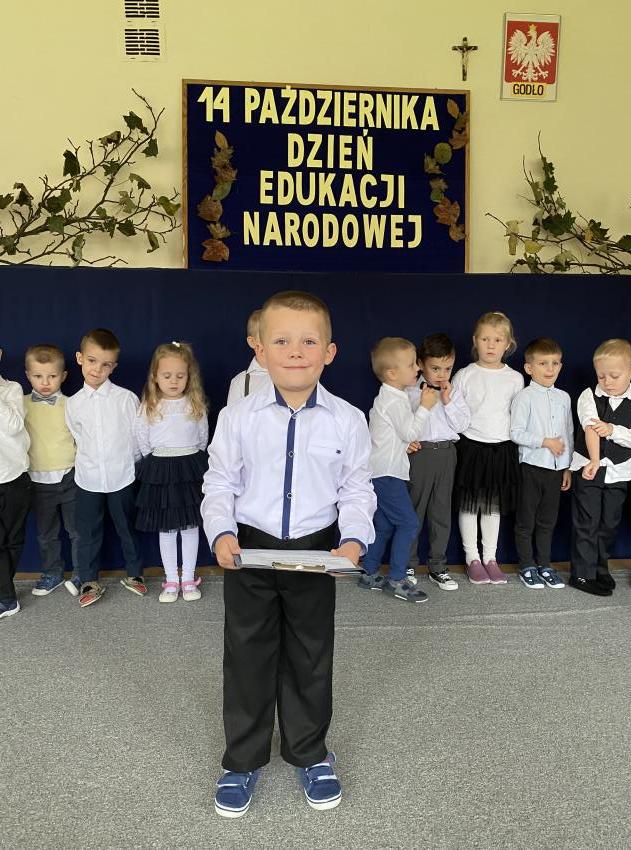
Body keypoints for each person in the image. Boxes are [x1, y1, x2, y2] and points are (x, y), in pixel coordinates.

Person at [201, 290, 376, 818]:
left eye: (308, 342)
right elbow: (220, 482)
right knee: (247, 655)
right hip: (249, 550)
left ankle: (309, 752)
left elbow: (357, 489)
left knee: (310, 654)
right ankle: (242, 758)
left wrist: (354, 539)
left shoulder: (348, 419)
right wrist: (221, 533)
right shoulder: (237, 416)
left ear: (330, 351)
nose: (295, 351)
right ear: (259, 349)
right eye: (280, 341)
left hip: (315, 552)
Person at [65, 328, 145, 608]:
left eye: (106, 364)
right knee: (87, 532)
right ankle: (89, 580)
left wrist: (129, 465)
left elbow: (137, 437)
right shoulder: (73, 403)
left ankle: (135, 574)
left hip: (122, 476)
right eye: (92, 361)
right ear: (79, 358)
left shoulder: (126, 399)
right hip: (88, 479)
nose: (97, 369)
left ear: (114, 367)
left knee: (126, 527)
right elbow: (77, 436)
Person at [452, 311, 524, 585]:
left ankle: (491, 558)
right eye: (485, 339)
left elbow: (518, 416)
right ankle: (472, 558)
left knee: (492, 506)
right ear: (475, 341)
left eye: (497, 340)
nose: (491, 345)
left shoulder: (515, 378)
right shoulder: (465, 375)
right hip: (471, 447)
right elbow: (453, 412)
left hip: (501, 449)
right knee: (470, 506)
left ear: (508, 344)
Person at [135, 341, 208, 602]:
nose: (174, 381)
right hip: (161, 469)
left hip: (189, 469)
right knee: (166, 529)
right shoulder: (149, 405)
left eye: (180, 375)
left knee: (190, 527)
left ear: (189, 376)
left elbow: (202, 438)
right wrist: (156, 462)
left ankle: (188, 578)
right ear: (155, 376)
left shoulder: (195, 404)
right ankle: (171, 580)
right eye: (167, 376)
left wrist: (190, 459)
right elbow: (142, 439)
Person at [358, 337, 429, 602]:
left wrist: (403, 444)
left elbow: (393, 435)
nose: (418, 368)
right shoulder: (394, 401)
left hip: (382, 470)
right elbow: (410, 430)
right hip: (386, 474)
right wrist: (426, 407)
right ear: (392, 373)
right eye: (411, 364)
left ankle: (369, 572)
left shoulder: (391, 397)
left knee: (385, 525)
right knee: (409, 523)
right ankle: (397, 579)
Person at [569, 338, 631, 595]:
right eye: (601, 376)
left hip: (619, 472)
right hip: (589, 467)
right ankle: (582, 574)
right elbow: (590, 427)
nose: (607, 382)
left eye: (614, 376)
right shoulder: (589, 395)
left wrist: (612, 430)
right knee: (587, 521)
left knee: (609, 523)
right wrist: (595, 461)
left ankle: (600, 568)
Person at [405, 333, 470, 591]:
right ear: (420, 364)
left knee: (441, 512)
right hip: (419, 455)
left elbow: (462, 425)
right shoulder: (409, 391)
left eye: (447, 368)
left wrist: (448, 401)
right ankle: (407, 564)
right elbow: (399, 424)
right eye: (435, 368)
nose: (442, 375)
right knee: (414, 511)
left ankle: (438, 567)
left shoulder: (454, 393)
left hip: (446, 454)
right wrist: (404, 443)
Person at [510, 338, 573, 589]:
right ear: (529, 368)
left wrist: (567, 466)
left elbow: (569, 433)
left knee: (548, 521)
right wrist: (545, 442)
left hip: (556, 470)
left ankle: (545, 565)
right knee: (526, 520)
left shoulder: (564, 397)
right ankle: (527, 565)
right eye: (543, 363)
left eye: (555, 363)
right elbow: (516, 433)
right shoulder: (524, 397)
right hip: (531, 467)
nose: (550, 368)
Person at [24, 344, 81, 597]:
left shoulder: (71, 404)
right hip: (36, 479)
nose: (45, 382)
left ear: (64, 376)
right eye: (38, 376)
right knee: (46, 533)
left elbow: (82, 439)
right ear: (28, 375)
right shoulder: (21, 403)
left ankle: (82, 573)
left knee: (77, 531)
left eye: (52, 376)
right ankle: (52, 573)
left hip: (70, 476)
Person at [0, 346, 31, 619]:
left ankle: (4, 593)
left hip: (14, 476)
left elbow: (13, 426)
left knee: (12, 540)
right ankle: (7, 598)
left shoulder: (11, 389)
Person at [226, 308, 270, 404]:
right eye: (267, 336)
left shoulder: (293, 376)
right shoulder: (240, 382)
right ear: (252, 342)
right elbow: (233, 413)